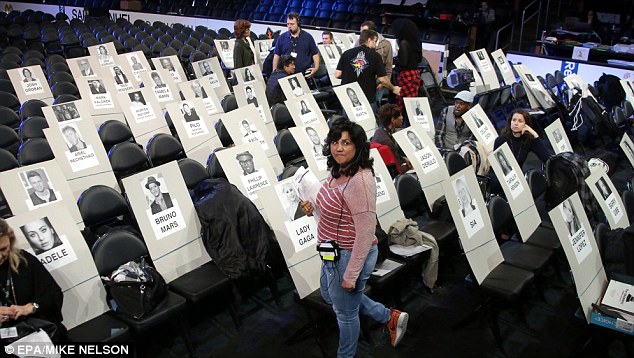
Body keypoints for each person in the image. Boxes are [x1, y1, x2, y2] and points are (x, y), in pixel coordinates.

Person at [299, 118, 408, 357]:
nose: (339, 148)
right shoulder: (338, 169)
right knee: (331, 296)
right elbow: (334, 208)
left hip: (347, 254)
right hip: (331, 250)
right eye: (335, 142)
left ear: (358, 147)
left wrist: (351, 274)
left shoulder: (360, 181)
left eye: (346, 143)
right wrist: (312, 208)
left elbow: (366, 231)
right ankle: (388, 316)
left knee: (345, 315)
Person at [0, 219, 65, 341]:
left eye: (4, 249)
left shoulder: (23, 261)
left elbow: (54, 294)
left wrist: (31, 307)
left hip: (36, 333)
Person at [336, 30, 400, 107]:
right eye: (375, 41)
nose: (376, 45)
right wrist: (393, 88)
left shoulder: (346, 53)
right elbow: (383, 79)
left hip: (348, 95)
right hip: (367, 95)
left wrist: (351, 74)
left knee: (346, 119)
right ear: (369, 40)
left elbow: (337, 74)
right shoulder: (375, 56)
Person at [273, 12, 320, 78]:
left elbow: (315, 54)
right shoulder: (282, 37)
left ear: (298, 24)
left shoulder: (308, 37)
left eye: (292, 24)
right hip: (286, 75)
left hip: (304, 75)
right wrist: (274, 72)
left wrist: (316, 68)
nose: (289, 26)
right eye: (288, 24)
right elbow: (276, 55)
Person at [360, 21, 393, 112]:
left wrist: (384, 83)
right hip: (364, 82)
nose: (362, 34)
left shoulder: (386, 44)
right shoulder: (359, 42)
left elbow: (389, 66)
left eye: (364, 31)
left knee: (376, 106)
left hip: (379, 82)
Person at [390, 19, 422, 112]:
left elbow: (403, 62)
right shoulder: (417, 42)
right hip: (415, 73)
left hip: (406, 75)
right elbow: (419, 59)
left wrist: (394, 60)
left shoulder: (404, 43)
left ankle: (399, 119)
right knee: (412, 100)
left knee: (402, 100)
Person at [372, 104, 408, 169]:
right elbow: (398, 168)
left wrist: (403, 159)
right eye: (400, 115)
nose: (402, 117)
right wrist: (410, 166)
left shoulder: (379, 131)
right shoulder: (386, 141)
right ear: (393, 120)